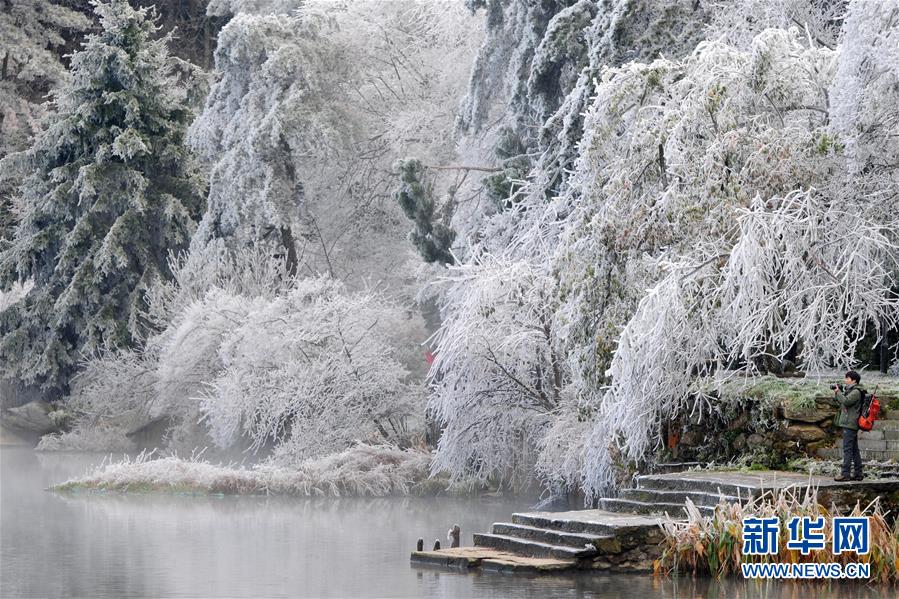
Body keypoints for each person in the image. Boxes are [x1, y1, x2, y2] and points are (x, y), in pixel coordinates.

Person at [833, 370, 865, 481]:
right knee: (854, 450)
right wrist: (839, 393)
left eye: (847, 378)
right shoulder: (851, 391)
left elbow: (846, 402)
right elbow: (842, 403)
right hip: (850, 423)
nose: (845, 380)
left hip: (850, 423)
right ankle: (858, 473)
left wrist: (838, 393)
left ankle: (845, 474)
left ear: (854, 380)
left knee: (847, 449)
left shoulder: (856, 392)